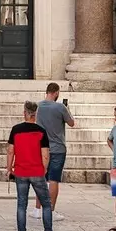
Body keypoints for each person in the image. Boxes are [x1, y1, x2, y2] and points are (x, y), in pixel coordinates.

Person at [6, 100, 56, 231]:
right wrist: (44, 169)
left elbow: (10, 151)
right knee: (46, 204)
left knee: (21, 205)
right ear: (36, 114)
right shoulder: (41, 131)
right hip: (37, 171)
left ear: (24, 113)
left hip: (20, 171)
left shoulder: (16, 130)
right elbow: (45, 154)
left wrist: (9, 168)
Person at [34, 82, 74, 212]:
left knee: (40, 179)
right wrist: (68, 109)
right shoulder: (60, 107)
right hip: (58, 148)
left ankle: (37, 209)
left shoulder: (38, 106)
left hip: (41, 148)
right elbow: (71, 123)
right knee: (54, 180)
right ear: (56, 92)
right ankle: (50, 210)